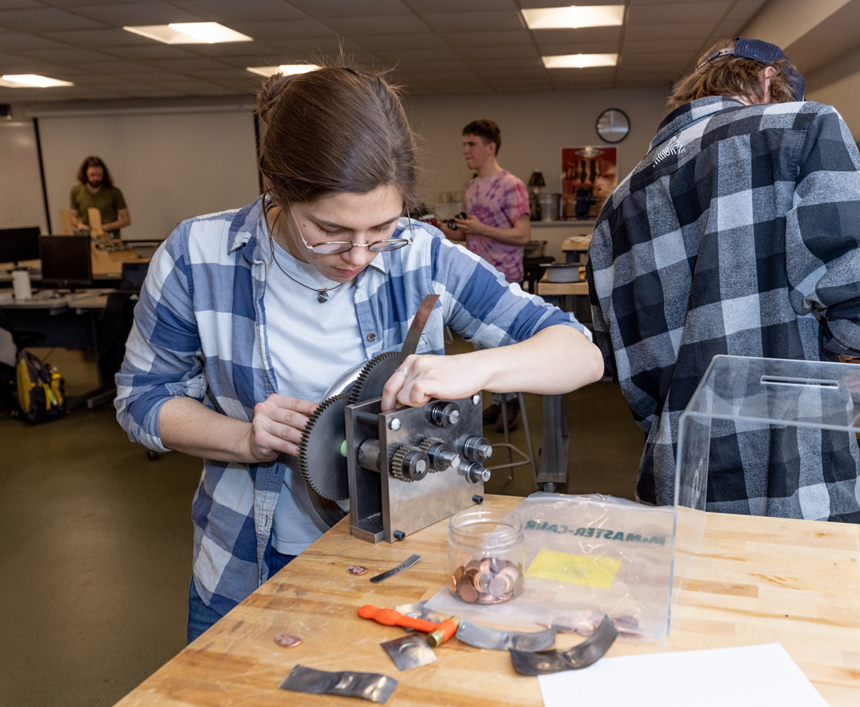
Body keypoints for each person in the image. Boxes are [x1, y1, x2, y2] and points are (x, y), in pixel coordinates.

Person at [115, 63, 603, 643]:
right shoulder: (199, 257)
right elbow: (142, 399)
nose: (359, 255)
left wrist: (468, 367)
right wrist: (241, 438)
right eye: (329, 231)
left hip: (405, 567)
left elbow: (581, 353)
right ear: (277, 185)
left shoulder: (421, 254)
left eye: (382, 229)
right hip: (248, 567)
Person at [587, 37, 860, 516]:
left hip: (677, 475)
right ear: (765, 80)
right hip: (792, 476)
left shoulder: (615, 208)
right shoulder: (805, 125)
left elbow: (622, 370)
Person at [439, 119, 531, 430]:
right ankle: (496, 403)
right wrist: (447, 232)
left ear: (490, 148)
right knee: (482, 346)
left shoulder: (512, 185)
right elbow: (474, 238)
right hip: (475, 279)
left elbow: (522, 235)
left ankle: (512, 405)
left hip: (504, 279)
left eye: (471, 144)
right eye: (464, 144)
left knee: (503, 349)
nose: (464, 150)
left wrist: (478, 227)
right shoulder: (472, 187)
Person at [70, 156, 131, 237]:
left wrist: (105, 227)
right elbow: (73, 216)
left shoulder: (114, 192)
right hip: (87, 237)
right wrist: (79, 225)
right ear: (85, 173)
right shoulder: (76, 191)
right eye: (92, 175)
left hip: (109, 237)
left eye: (99, 175)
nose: (96, 178)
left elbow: (126, 220)